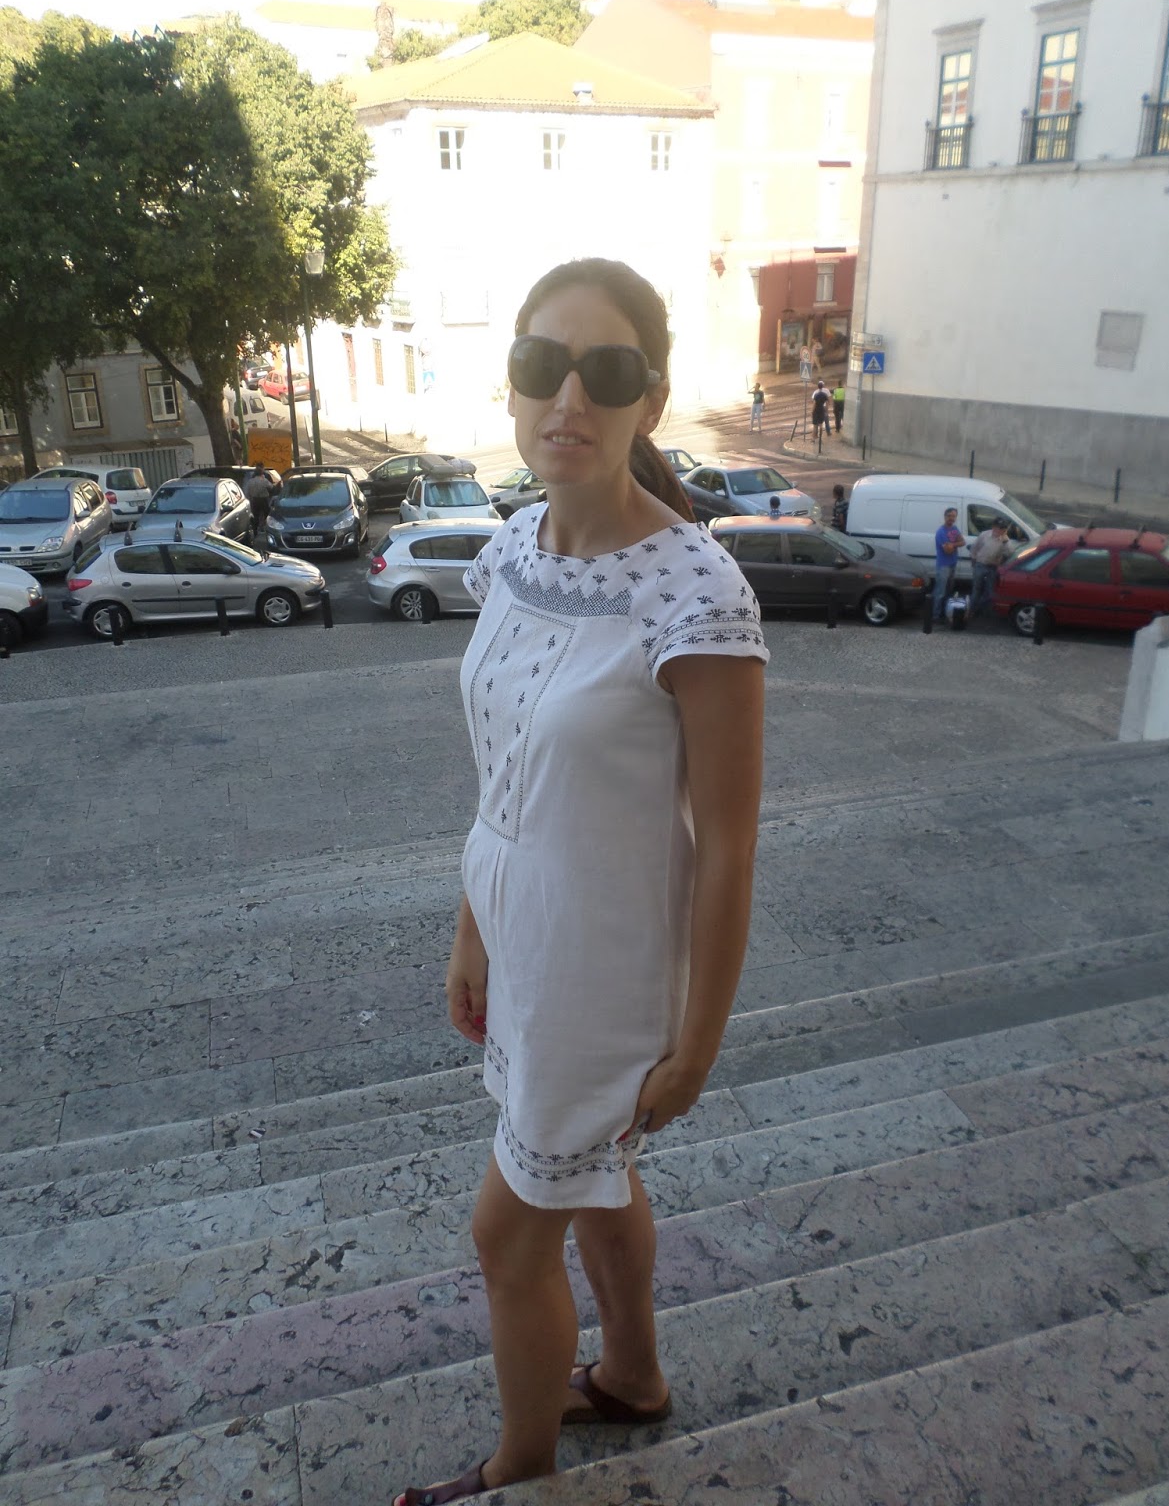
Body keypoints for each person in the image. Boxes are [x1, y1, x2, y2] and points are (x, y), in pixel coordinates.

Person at [394, 258, 768, 1505]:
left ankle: (523, 1469)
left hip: (602, 970)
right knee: (597, 1182)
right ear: (511, 385)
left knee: (509, 1235)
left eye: (605, 372)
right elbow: (502, 761)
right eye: (541, 365)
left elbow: (729, 841)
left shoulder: (697, 590)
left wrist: (697, 1042)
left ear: (650, 399)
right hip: (522, 933)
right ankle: (637, 1376)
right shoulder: (515, 545)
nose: (569, 398)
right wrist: (474, 927)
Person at [969, 517, 1011, 616]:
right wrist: (973, 562)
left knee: (990, 591)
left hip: (993, 568)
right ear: (994, 527)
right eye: (1000, 528)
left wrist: (1005, 542)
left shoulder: (1005, 540)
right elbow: (974, 548)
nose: (1002, 530)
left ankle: (982, 609)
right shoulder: (984, 535)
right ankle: (971, 610)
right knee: (976, 589)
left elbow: (1009, 553)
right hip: (980, 565)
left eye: (1004, 528)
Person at [932, 506, 966, 621]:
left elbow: (963, 542)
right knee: (940, 592)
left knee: (948, 591)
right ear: (945, 516)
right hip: (943, 565)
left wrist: (953, 544)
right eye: (949, 516)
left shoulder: (954, 528)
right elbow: (948, 550)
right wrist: (956, 543)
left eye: (954, 516)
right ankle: (935, 615)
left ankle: (945, 612)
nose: (951, 518)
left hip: (952, 563)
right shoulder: (941, 532)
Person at [244, 464, 276, 538]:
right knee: (267, 514)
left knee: (255, 516)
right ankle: (267, 529)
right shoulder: (264, 481)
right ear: (262, 473)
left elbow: (247, 492)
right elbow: (271, 487)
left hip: (254, 500)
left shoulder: (250, 481)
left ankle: (255, 531)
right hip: (264, 500)